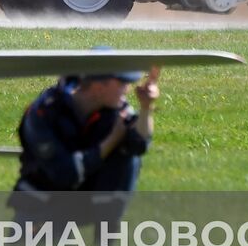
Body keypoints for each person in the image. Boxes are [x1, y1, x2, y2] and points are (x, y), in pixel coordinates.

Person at [8, 64, 161, 225]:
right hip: (41, 203)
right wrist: (111, 141)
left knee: (128, 157)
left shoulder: (114, 108)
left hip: (85, 204)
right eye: (122, 83)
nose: (127, 90)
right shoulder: (44, 112)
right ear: (99, 87)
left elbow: (139, 144)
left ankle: (104, 239)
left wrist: (146, 107)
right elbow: (65, 174)